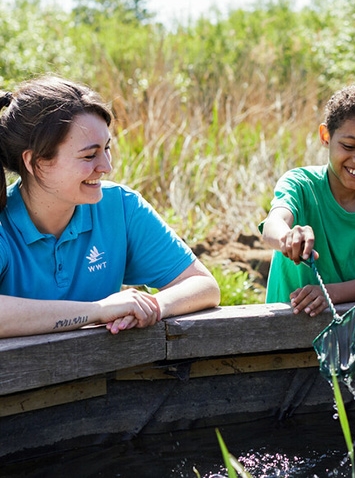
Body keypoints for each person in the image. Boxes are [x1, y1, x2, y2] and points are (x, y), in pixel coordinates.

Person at [0, 75, 220, 339]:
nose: (106, 166)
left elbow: (203, 285)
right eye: (89, 155)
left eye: (107, 149)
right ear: (36, 162)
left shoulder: (121, 207)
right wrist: (98, 310)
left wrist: (149, 307)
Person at [260, 80, 355, 317]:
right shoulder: (300, 184)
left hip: (353, 330)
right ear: (325, 136)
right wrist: (288, 236)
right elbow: (273, 224)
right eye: (349, 146)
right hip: (289, 324)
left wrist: (327, 293)